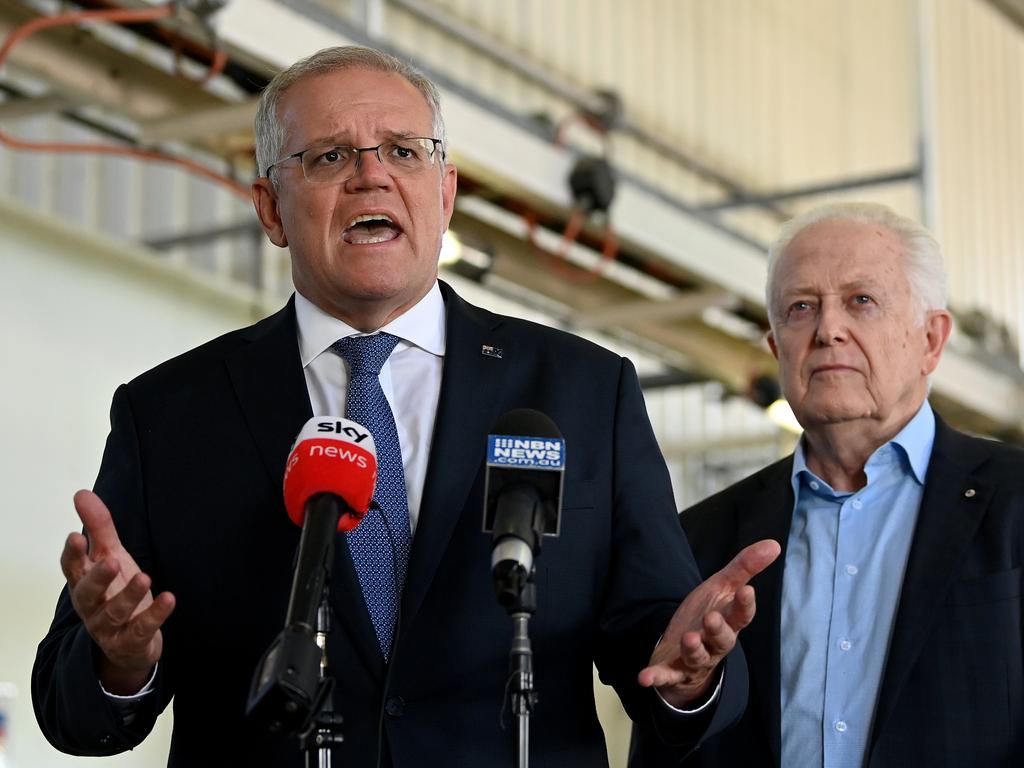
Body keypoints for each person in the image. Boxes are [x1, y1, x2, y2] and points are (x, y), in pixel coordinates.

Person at [32, 46, 778, 767]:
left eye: (404, 151)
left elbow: (661, 639)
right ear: (270, 208)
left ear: (445, 192)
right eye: (328, 156)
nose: (370, 178)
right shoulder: (169, 414)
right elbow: (74, 712)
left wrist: (693, 674)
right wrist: (118, 661)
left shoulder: (584, 392)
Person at [662, 202, 1024, 767]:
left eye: (862, 300)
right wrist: (683, 699)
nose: (829, 329)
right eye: (801, 307)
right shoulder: (704, 538)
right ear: (777, 349)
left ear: (931, 339)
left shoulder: (1016, 501)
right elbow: (671, 746)